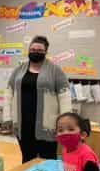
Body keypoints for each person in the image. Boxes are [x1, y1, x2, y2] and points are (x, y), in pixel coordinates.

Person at [4, 35, 71, 163]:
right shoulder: (19, 69)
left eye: (40, 50)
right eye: (33, 49)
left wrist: (65, 123)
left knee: (48, 161)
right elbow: (8, 93)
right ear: (29, 50)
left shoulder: (55, 70)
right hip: (23, 124)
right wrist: (7, 117)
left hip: (47, 126)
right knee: (27, 160)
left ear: (46, 52)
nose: (36, 52)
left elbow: (65, 96)